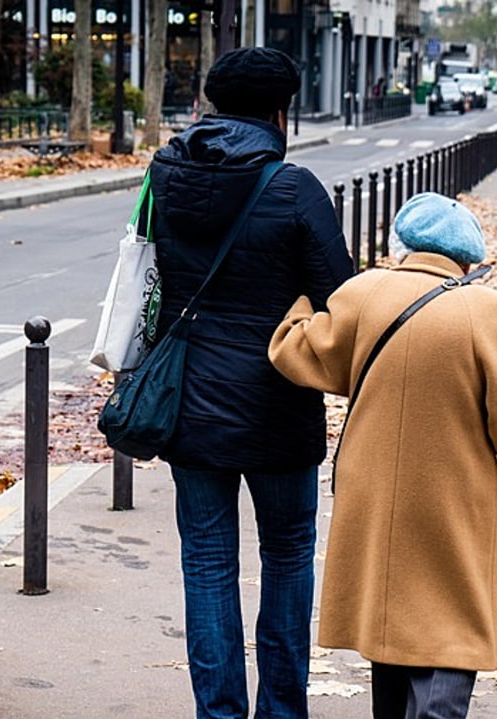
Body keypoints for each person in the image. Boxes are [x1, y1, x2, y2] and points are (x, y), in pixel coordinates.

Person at [268, 193, 497, 719]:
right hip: (453, 496)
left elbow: (300, 351)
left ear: (405, 244)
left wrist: (299, 305)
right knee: (450, 625)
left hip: (371, 491)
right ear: (468, 259)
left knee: (392, 622)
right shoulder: (483, 310)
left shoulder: (365, 292)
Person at [146, 46, 353, 718]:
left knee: (206, 560)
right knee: (289, 554)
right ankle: (283, 711)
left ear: (211, 103)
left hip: (188, 403)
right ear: (279, 111)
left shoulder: (164, 173)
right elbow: (341, 299)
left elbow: (150, 276)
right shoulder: (293, 188)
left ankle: (220, 712)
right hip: (277, 405)